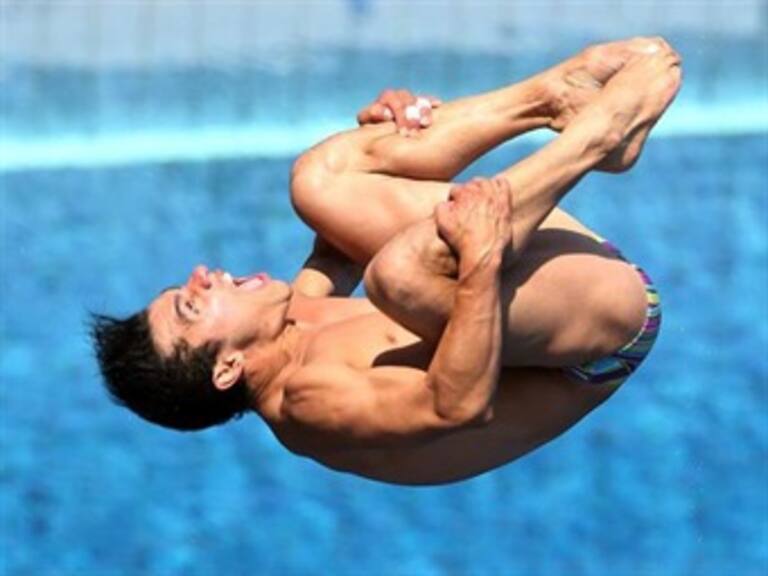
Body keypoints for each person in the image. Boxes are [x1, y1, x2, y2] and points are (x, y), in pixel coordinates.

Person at [92, 38, 680, 485]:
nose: (201, 272)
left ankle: (551, 101)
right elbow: (456, 406)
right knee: (400, 276)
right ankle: (598, 139)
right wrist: (478, 260)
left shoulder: (292, 323)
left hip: (532, 277)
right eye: (194, 304)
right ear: (228, 369)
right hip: (598, 337)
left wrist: (400, 139)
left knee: (319, 185)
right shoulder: (309, 405)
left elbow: (335, 249)